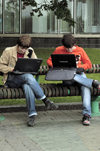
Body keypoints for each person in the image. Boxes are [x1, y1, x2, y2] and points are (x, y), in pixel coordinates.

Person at [0, 35, 57, 127]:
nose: (23, 50)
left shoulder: (30, 51)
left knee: (28, 86)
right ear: (17, 45)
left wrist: (30, 66)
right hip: (11, 79)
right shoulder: (8, 51)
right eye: (22, 48)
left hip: (25, 80)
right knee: (28, 77)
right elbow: (0, 66)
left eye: (25, 48)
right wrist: (12, 69)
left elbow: (35, 65)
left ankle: (32, 116)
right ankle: (45, 100)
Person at [47, 34, 100, 126]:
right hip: (66, 77)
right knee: (81, 80)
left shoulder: (80, 50)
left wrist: (80, 67)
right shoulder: (58, 50)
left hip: (78, 74)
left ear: (75, 44)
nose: (68, 50)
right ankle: (93, 83)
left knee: (85, 86)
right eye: (66, 48)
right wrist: (57, 66)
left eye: (70, 48)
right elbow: (49, 61)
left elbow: (88, 64)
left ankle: (86, 115)